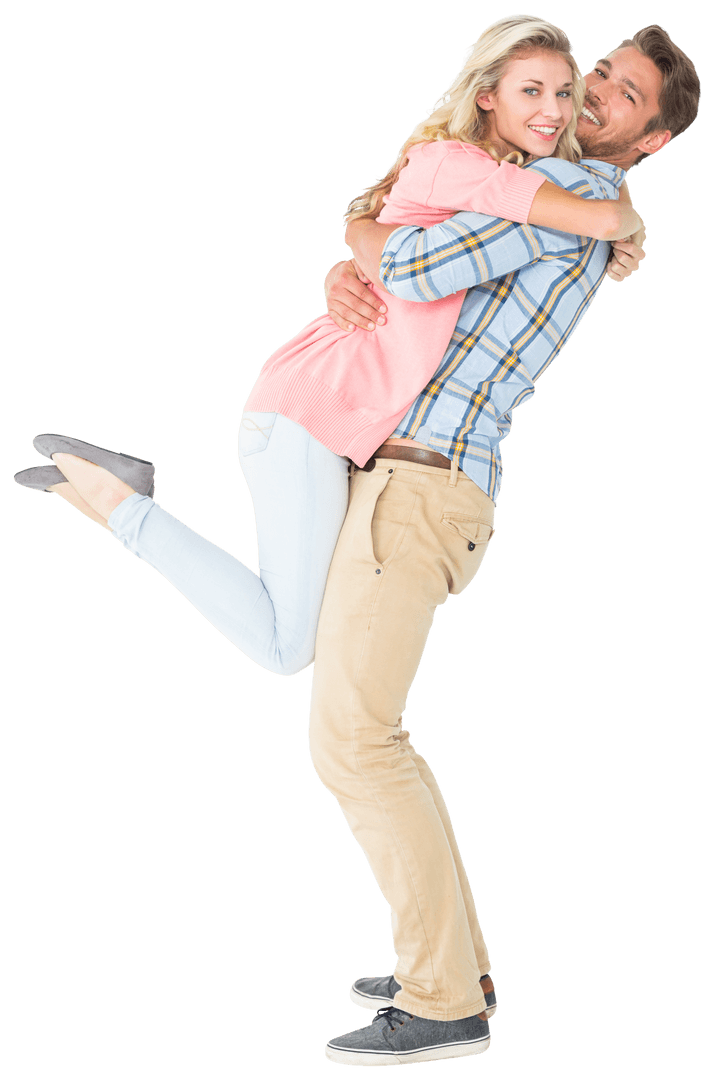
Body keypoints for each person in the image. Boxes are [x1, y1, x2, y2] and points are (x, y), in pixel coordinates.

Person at [14, 16, 642, 680]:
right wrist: (623, 219)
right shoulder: (461, 166)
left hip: (327, 414)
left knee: (299, 638)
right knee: (289, 651)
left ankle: (95, 491)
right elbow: (590, 214)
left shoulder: (473, 175)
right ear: (486, 95)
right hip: (310, 413)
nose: (553, 110)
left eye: (563, 94)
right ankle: (117, 496)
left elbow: (401, 233)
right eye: (531, 91)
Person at [308, 24, 700, 1067]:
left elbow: (418, 255)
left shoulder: (575, 205)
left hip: (420, 488)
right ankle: (458, 962)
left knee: (356, 743)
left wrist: (368, 246)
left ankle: (442, 1001)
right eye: (597, 76)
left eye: (621, 98)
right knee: (370, 738)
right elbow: (386, 239)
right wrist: (357, 255)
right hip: (408, 480)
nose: (593, 96)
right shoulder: (553, 190)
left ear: (649, 141)